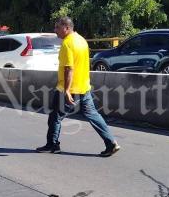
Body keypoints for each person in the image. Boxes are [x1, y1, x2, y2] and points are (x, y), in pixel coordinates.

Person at [36, 16, 121, 157]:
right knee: (93, 115)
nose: (55, 30)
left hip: (69, 89)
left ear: (66, 28)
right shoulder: (81, 40)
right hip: (84, 87)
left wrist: (67, 90)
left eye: (57, 27)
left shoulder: (67, 44)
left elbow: (69, 69)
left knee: (55, 117)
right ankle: (111, 143)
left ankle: (52, 145)